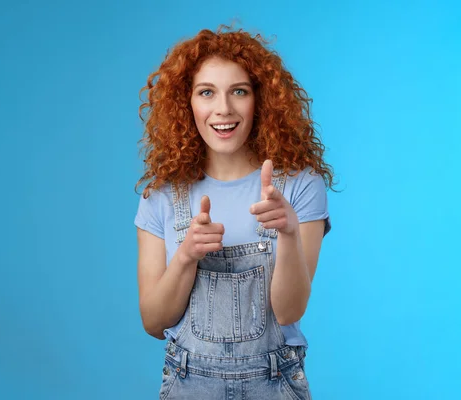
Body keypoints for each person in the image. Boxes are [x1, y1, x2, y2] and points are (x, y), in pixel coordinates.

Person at [134, 25, 335, 400]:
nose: (223, 109)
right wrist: (186, 257)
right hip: (188, 385)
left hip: (276, 384)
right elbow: (153, 321)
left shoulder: (299, 186)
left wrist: (290, 233)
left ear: (260, 101)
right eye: (206, 92)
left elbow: (289, 311)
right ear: (186, 102)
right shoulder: (159, 196)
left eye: (238, 91)